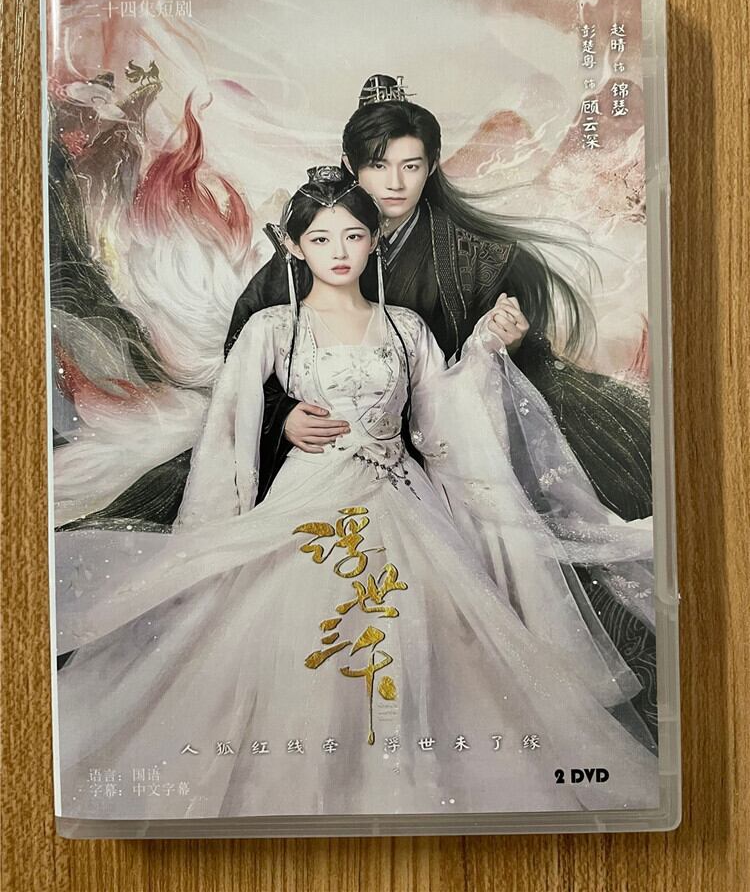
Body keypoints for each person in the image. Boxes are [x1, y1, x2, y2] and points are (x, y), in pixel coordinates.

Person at [54, 167, 659, 820]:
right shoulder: (273, 329)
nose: (338, 252)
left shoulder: (405, 328)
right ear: (295, 247)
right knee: (284, 635)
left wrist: (485, 347)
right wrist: (263, 448)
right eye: (320, 239)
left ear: (373, 240)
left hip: (404, 499)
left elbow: (440, 419)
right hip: (309, 496)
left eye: (352, 236)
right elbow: (228, 423)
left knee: (431, 634)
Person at [225, 77, 657, 740]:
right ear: (349, 168)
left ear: (432, 166)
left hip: (434, 439)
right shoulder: (310, 248)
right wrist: (281, 414)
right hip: (319, 447)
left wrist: (503, 341)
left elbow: (455, 382)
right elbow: (246, 354)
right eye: (378, 166)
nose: (395, 184)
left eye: (412, 165)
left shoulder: (473, 258)